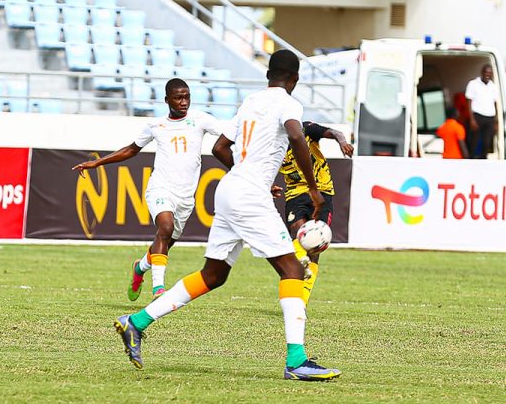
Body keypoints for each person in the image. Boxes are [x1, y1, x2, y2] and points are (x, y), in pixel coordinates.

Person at [113, 49, 341, 381]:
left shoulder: (250, 102)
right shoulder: (288, 104)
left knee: (214, 275)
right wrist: (314, 189)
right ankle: (296, 361)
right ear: (295, 78)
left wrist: (247, 173)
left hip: (229, 189)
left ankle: (136, 322)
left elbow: (220, 147)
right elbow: (296, 135)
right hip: (250, 195)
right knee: (293, 269)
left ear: (268, 75)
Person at [72, 78, 228, 300]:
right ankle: (159, 289)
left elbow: (228, 137)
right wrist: (97, 163)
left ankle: (140, 268)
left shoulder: (201, 119)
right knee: (165, 227)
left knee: (164, 242)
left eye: (187, 97)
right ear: (167, 100)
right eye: (178, 98)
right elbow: (131, 150)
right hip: (160, 188)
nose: (184, 102)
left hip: (186, 197)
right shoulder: (156, 126)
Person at [274, 117, 355, 304]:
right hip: (295, 193)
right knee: (298, 232)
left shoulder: (305, 129)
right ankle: (300, 262)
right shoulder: (271, 142)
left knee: (315, 244)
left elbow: (335, 132)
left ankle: (302, 300)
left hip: (322, 190)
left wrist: (343, 142)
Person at [463, 64, 501, 159]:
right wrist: (472, 119)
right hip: (477, 116)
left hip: (490, 117)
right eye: (486, 72)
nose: (488, 75)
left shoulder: (493, 87)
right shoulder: (473, 84)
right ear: (482, 72)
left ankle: (483, 161)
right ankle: (471, 160)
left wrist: (496, 121)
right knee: (474, 142)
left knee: (486, 143)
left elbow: (495, 103)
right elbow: (469, 102)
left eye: (490, 73)